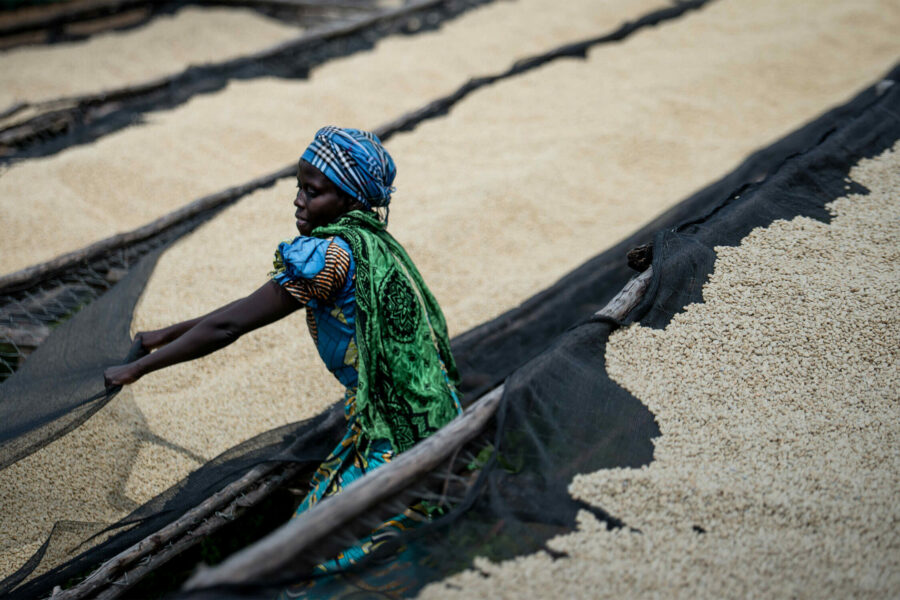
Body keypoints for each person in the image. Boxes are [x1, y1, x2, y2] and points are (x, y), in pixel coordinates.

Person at [104, 126, 463, 573]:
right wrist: (165, 335)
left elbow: (231, 326)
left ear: (349, 199)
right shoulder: (371, 243)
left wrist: (139, 369)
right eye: (299, 187)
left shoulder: (330, 259)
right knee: (369, 542)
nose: (298, 200)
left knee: (321, 559)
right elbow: (240, 310)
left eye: (313, 192)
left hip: (395, 435)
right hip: (428, 414)